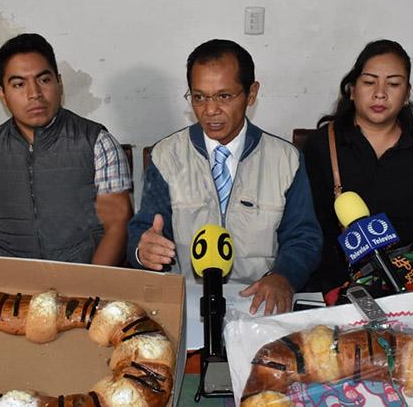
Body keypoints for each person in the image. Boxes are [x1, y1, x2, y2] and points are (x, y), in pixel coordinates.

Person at [127, 39, 322, 315]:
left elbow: (303, 236)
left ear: (251, 94)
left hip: (259, 301)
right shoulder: (167, 155)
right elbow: (145, 231)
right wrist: (142, 251)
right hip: (187, 304)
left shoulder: (285, 159)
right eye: (199, 97)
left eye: (224, 96)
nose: (210, 110)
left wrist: (284, 276)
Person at [0, 33, 132, 265]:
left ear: (59, 82)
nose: (34, 94)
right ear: (2, 94)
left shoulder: (97, 143)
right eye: (19, 84)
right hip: (13, 287)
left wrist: (90, 289)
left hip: (88, 279)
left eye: (44, 80)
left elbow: (117, 226)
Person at [303, 40, 413, 293]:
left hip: (409, 282)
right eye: (369, 82)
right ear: (351, 90)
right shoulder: (321, 146)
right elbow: (311, 228)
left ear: (406, 94)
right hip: (337, 283)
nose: (380, 93)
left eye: (393, 84)